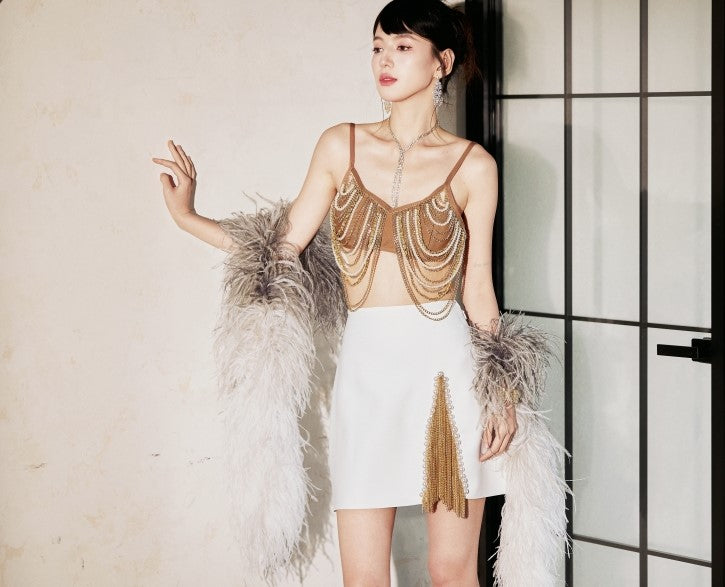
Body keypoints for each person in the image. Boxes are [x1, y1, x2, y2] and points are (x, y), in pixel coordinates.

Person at [151, 1, 572, 585]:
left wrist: (502, 390)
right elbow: (281, 249)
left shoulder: (473, 165)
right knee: (363, 579)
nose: (384, 60)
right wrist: (188, 218)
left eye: (402, 47)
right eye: (377, 46)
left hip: (446, 375)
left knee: (452, 571)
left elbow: (478, 286)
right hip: (367, 375)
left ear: (442, 61)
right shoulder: (340, 145)